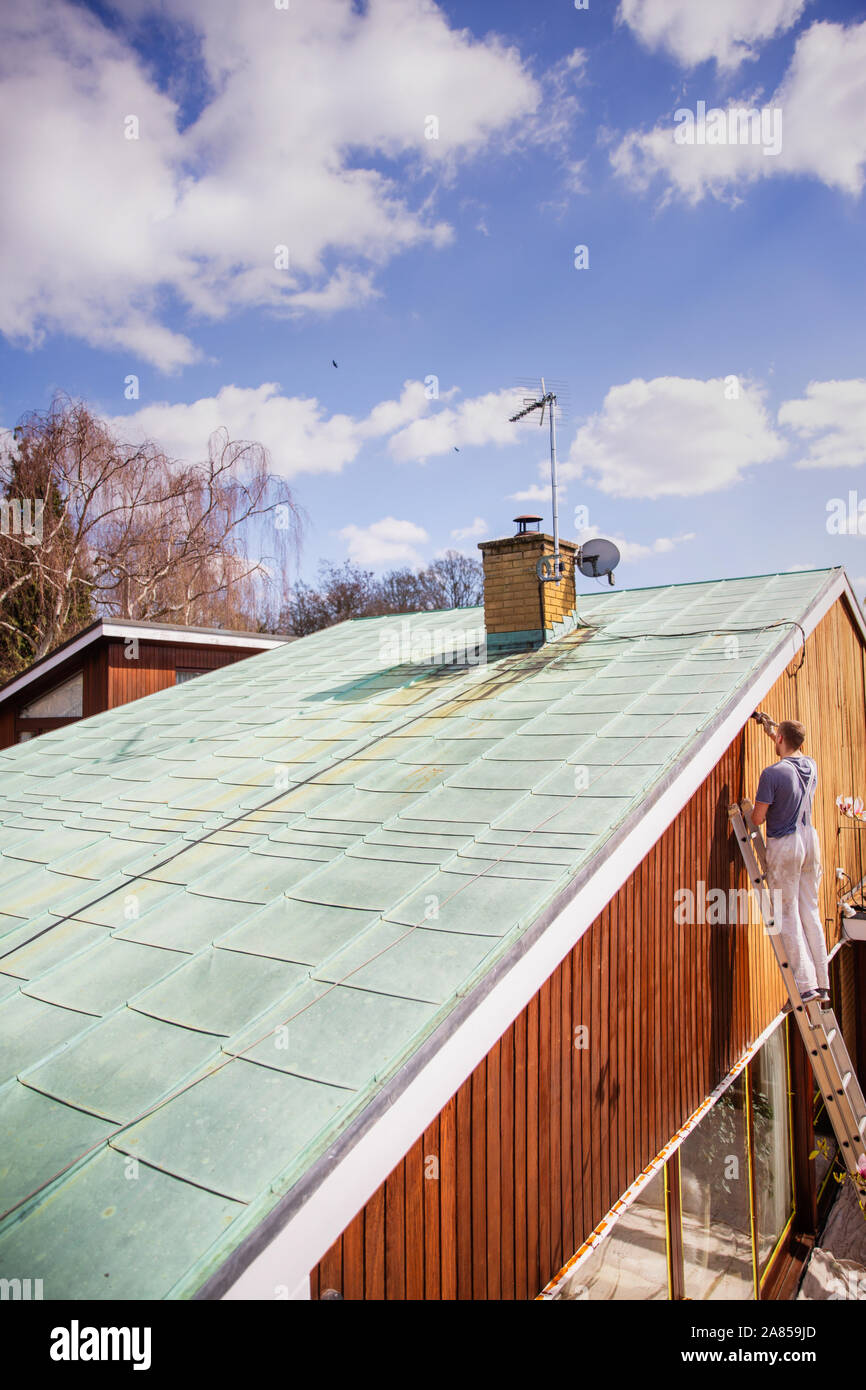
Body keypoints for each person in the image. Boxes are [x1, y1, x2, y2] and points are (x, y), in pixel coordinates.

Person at [748, 713, 830, 1008]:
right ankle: (822, 982)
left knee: (787, 912)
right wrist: (775, 732)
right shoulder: (811, 765)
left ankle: (805, 986)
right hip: (811, 842)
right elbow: (793, 756)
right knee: (810, 909)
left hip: (786, 844)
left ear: (780, 740)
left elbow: (757, 818)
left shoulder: (771, 774)